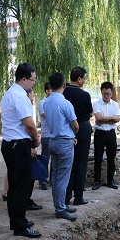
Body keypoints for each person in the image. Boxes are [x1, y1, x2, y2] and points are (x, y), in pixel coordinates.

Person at [0, 63, 42, 238]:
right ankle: (20, 226)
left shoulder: (10, 93)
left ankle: (17, 220)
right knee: (21, 187)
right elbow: (29, 124)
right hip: (18, 145)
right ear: (24, 79)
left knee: (15, 186)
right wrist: (35, 139)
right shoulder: (19, 96)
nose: (33, 83)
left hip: (10, 144)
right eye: (33, 80)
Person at [43, 72, 79, 221]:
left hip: (52, 141)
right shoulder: (65, 104)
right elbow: (75, 126)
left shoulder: (46, 102)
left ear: (50, 86)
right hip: (64, 142)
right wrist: (72, 135)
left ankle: (60, 204)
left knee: (56, 175)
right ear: (64, 85)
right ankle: (60, 208)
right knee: (63, 178)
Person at [63, 67, 93, 206]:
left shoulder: (64, 93)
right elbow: (90, 112)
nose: (85, 81)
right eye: (84, 78)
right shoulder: (84, 95)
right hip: (82, 128)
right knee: (81, 163)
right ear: (79, 79)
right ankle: (78, 197)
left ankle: (66, 196)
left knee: (68, 163)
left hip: (67, 128)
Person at [92, 82, 120, 191]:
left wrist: (104, 120)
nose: (106, 96)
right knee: (98, 158)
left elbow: (117, 119)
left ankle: (110, 181)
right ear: (101, 92)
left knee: (111, 158)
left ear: (111, 93)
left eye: (108, 94)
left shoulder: (115, 104)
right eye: (104, 93)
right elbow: (99, 118)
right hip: (100, 133)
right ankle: (97, 181)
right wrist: (111, 118)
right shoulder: (96, 104)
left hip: (111, 133)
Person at [37, 82, 52, 190]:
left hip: (55, 134)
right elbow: (46, 115)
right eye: (51, 89)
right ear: (46, 90)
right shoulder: (42, 102)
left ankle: (52, 179)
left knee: (55, 159)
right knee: (45, 157)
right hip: (47, 134)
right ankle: (42, 180)